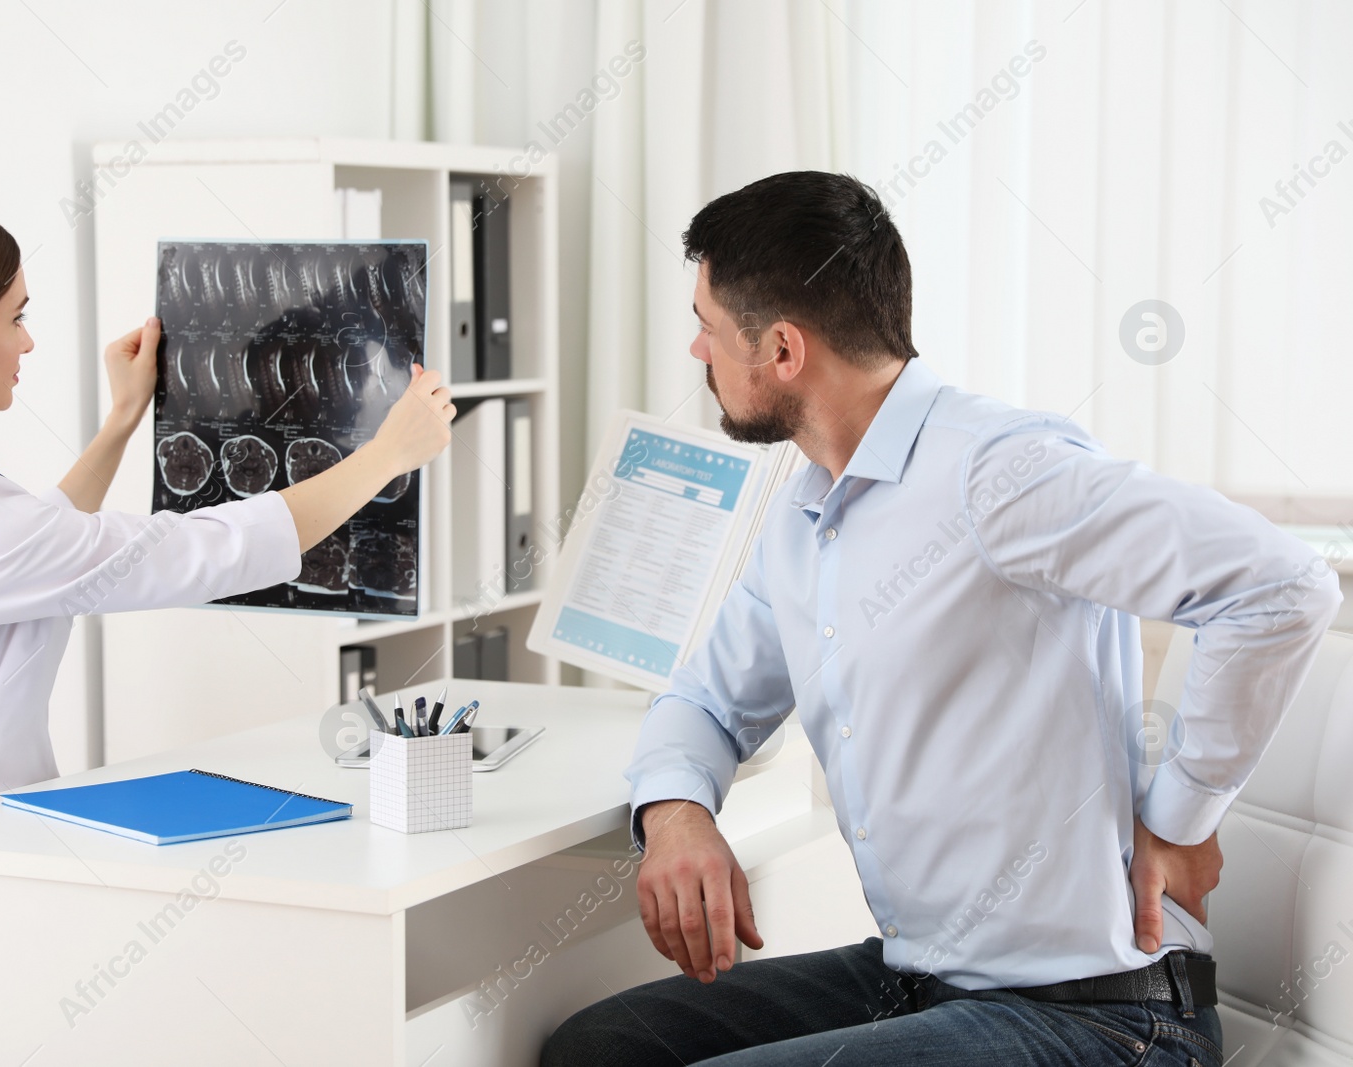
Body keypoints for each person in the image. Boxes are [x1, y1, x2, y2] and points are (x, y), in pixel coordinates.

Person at [542, 172, 1340, 1066]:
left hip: (1102, 1016)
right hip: (931, 983)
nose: (697, 350)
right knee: (601, 1048)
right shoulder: (806, 518)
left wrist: (1184, 815)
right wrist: (679, 810)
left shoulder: (998, 472)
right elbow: (708, 699)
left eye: (709, 327)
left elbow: (1282, 584)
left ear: (783, 351)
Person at [0, 196, 454, 1052]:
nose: (29, 341)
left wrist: (123, 419)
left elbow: (47, 553)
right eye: (17, 318)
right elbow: (191, 551)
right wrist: (386, 455)